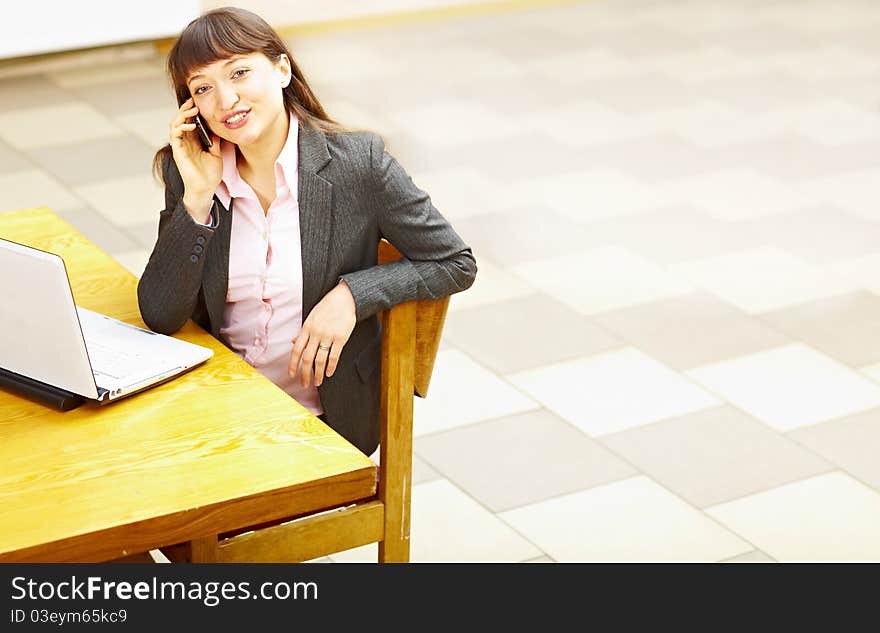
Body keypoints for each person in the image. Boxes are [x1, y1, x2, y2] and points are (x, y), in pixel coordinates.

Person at [137, 7, 476, 456]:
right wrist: (198, 197)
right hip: (220, 411)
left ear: (282, 69)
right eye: (203, 88)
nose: (225, 101)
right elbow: (160, 314)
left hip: (320, 424)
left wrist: (352, 295)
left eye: (239, 72)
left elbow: (454, 262)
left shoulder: (359, 163)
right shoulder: (190, 172)